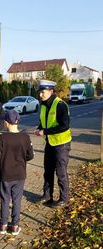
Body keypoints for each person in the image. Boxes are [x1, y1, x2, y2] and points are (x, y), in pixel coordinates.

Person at [34, 80, 72, 209]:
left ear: (51, 91)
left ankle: (64, 199)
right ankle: (47, 195)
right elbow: (43, 122)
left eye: (42, 92)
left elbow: (64, 126)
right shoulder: (44, 105)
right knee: (48, 170)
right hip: (50, 143)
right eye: (40, 92)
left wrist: (45, 131)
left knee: (61, 172)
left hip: (61, 144)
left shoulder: (61, 105)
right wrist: (39, 128)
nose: (40, 95)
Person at [0, 110, 34, 235]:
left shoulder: (2, 138)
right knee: (17, 200)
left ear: (6, 123)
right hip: (20, 174)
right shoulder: (25, 137)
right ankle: (15, 226)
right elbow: (30, 156)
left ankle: (3, 225)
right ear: (18, 121)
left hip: (5, 174)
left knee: (5, 199)